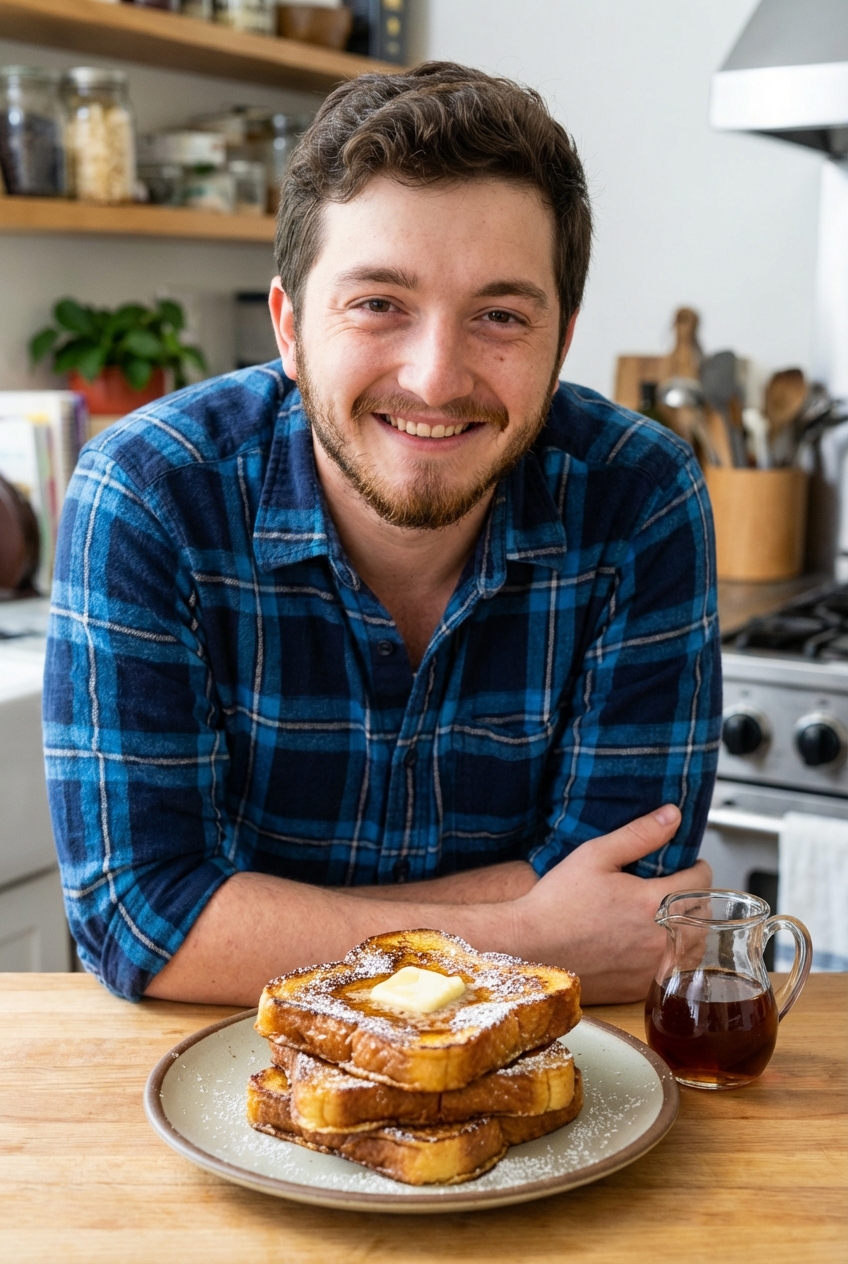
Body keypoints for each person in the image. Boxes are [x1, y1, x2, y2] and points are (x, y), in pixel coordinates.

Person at [43, 62, 720, 1008]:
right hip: (210, 1081)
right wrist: (526, 934)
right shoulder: (149, 494)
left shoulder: (640, 498)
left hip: (534, 1084)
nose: (436, 379)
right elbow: (140, 919)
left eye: (499, 316)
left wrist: (262, 925)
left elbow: (625, 889)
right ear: (289, 327)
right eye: (378, 304)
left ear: (561, 343)